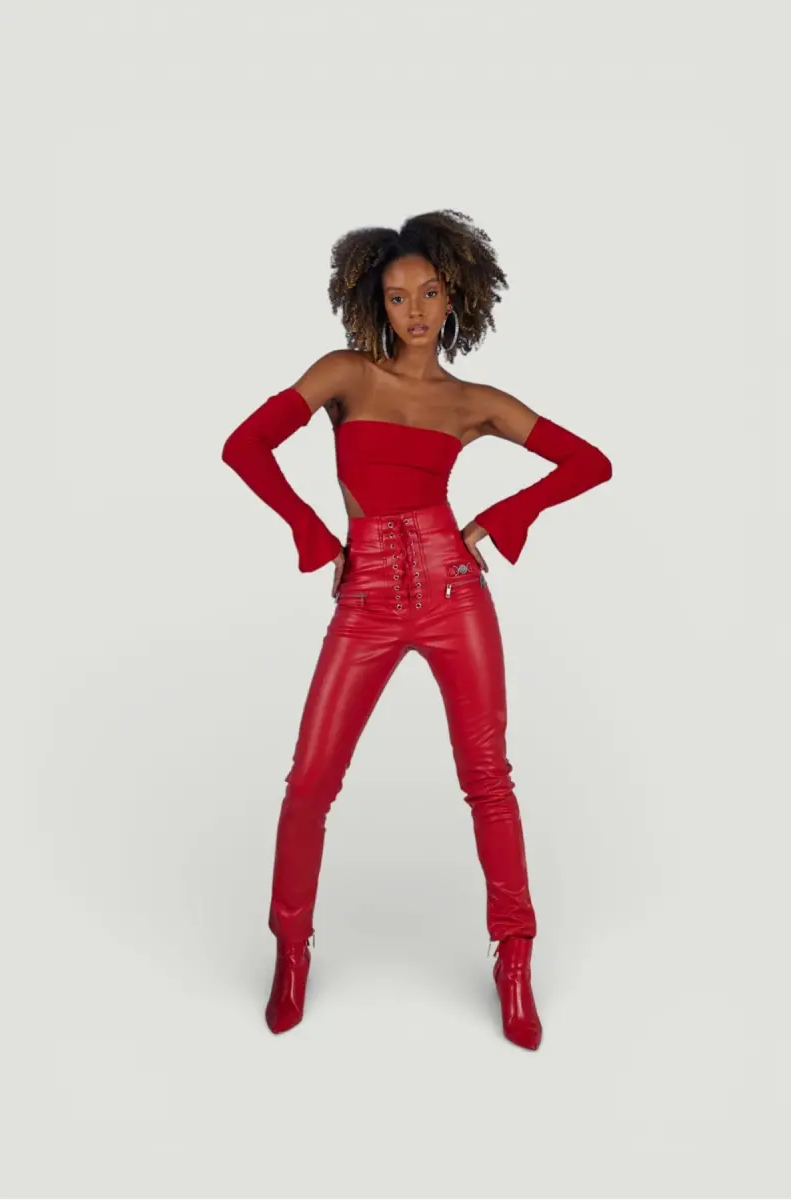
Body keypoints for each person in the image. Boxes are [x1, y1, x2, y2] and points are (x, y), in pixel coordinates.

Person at [221, 210, 612, 1050]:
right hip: (365, 595)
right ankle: (291, 951)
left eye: (429, 293)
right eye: (398, 297)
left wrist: (502, 517)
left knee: (488, 779)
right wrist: (313, 535)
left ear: (454, 295)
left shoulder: (472, 403)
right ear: (377, 303)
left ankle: (515, 961)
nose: (415, 311)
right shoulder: (344, 375)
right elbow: (244, 446)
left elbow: (590, 463)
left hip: (451, 589)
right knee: (310, 781)